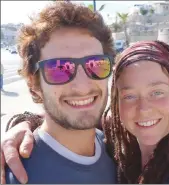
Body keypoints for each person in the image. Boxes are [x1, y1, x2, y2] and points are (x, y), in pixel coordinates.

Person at [1, 40, 169, 184]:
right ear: (116, 105)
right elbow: (66, 122)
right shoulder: (115, 142)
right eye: (128, 95)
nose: (143, 109)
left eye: (157, 92)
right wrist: (24, 125)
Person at [1, 1, 117, 184]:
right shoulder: (15, 176)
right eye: (59, 68)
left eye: (96, 64)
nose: (82, 87)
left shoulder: (118, 151)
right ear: (34, 83)